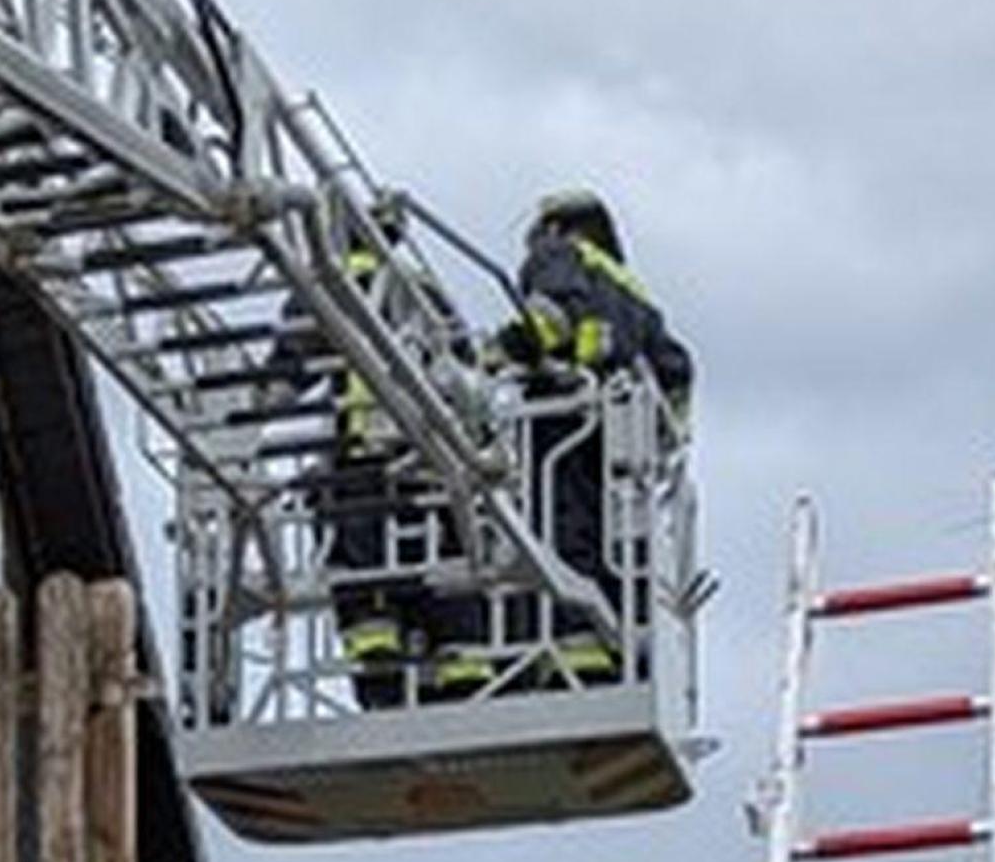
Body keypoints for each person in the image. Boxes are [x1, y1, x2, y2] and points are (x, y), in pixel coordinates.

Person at [270, 213, 494, 708]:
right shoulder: (425, 290)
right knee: (442, 555)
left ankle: (376, 646)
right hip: (435, 459)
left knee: (355, 543)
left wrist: (261, 398)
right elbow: (465, 365)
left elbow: (292, 359)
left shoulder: (333, 278)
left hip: (367, 453)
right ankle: (463, 658)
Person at [492, 188, 693, 683]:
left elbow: (552, 315)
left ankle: (575, 640)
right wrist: (666, 436)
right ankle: (624, 648)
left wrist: (504, 352)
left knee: (560, 521)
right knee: (618, 541)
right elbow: (678, 369)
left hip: (566, 411)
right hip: (623, 433)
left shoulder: (559, 255)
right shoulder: (634, 290)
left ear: (556, 227)